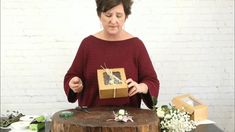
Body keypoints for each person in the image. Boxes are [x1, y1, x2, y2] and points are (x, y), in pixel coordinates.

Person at [64, 0, 160, 109]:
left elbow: (151, 81)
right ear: (100, 16)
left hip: (129, 119)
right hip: (91, 118)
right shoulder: (88, 44)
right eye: (108, 15)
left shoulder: (136, 45)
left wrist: (141, 87)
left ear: (126, 17)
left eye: (119, 16)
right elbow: (71, 76)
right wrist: (75, 84)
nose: (113, 21)